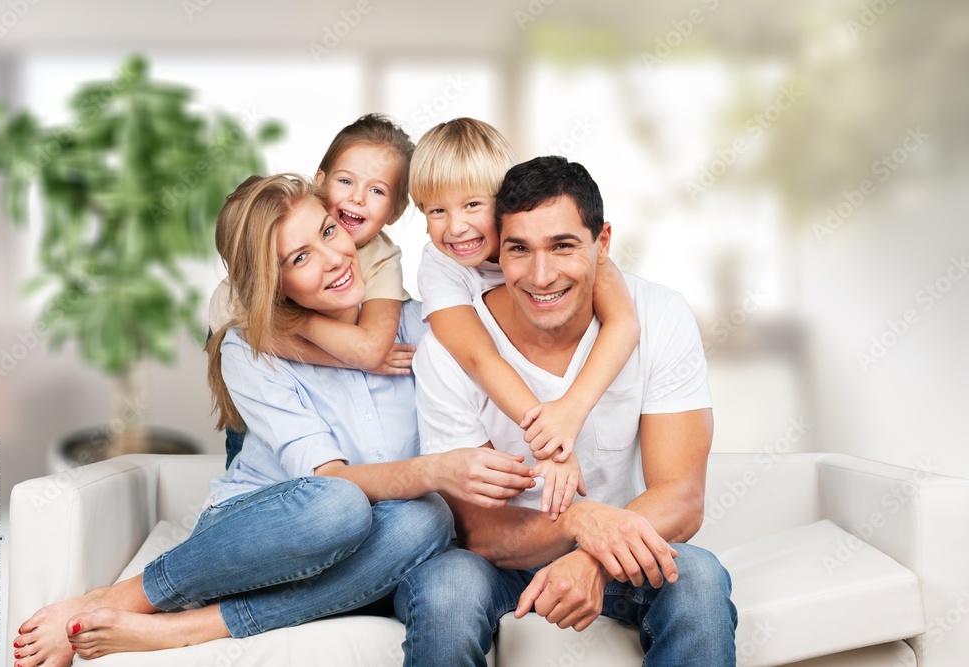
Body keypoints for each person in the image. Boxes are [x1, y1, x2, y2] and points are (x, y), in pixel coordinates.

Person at [11, 174, 537, 667]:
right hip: (264, 538)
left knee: (431, 524)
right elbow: (329, 483)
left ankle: (193, 627)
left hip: (389, 546)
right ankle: (122, 600)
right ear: (274, 282)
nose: (335, 258)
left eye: (330, 231)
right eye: (301, 257)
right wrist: (435, 471)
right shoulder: (251, 349)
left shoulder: (427, 325)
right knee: (340, 505)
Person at [395, 156, 738, 666]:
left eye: (563, 246)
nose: (541, 275)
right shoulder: (449, 346)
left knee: (699, 577)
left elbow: (682, 499)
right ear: (496, 248)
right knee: (446, 587)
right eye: (519, 249)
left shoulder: (658, 315)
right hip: (497, 562)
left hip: (618, 551)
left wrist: (593, 559)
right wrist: (579, 522)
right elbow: (479, 532)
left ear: (601, 243)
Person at [410, 118, 641, 519]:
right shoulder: (440, 266)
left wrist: (570, 411)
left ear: (503, 203)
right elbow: (479, 357)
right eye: (436, 210)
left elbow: (624, 324)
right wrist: (551, 442)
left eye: (472, 205)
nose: (456, 226)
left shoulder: (560, 239)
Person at [211, 114, 417, 469]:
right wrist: (318, 335)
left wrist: (302, 325)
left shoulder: (381, 258)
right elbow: (254, 338)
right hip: (252, 359)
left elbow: (369, 349)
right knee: (249, 443)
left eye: (377, 190)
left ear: (395, 212)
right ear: (320, 183)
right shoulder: (261, 259)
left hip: (292, 341)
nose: (357, 198)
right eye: (346, 181)